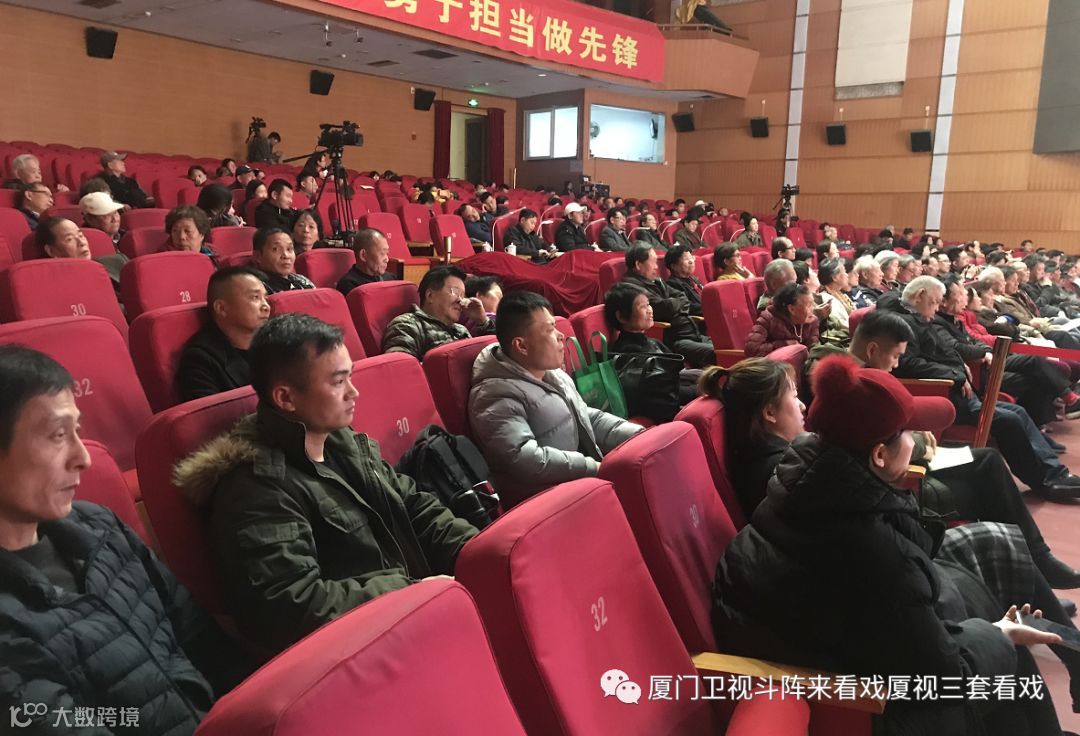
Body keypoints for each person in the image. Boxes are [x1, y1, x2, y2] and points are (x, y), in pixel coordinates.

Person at [712, 354, 1079, 736]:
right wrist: (1000, 636)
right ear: (879, 455)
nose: (914, 440)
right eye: (906, 432)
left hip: (849, 644)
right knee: (1001, 647)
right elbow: (947, 675)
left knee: (982, 586)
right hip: (866, 706)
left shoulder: (806, 479)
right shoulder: (873, 550)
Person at [173, 314, 478, 652]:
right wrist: (412, 590)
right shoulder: (257, 487)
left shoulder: (341, 441)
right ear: (286, 398)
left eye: (350, 377)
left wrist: (478, 555)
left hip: (415, 613)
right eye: (338, 382)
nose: (354, 392)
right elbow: (291, 605)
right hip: (365, 647)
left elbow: (414, 506)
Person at [0, 345, 253, 731]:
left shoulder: (99, 528)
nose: (83, 458)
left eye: (77, 432)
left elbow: (204, 641)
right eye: (57, 435)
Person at [849, 309, 1080, 590]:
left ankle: (1036, 564)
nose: (896, 365)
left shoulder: (865, 375)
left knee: (988, 459)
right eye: (895, 356)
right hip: (900, 477)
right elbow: (880, 445)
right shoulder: (855, 385)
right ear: (873, 350)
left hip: (905, 459)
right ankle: (1033, 572)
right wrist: (920, 440)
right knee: (990, 484)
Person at [878, 277, 1080, 499]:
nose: (936, 308)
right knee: (1009, 420)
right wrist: (955, 374)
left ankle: (1055, 473)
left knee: (1018, 412)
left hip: (962, 392)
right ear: (919, 296)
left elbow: (945, 352)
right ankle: (1045, 481)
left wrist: (959, 367)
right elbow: (908, 363)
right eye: (934, 302)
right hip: (944, 395)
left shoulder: (921, 320)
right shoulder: (904, 324)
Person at [469, 291, 643, 507]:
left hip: (582, 482)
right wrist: (593, 466)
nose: (561, 336)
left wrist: (637, 435)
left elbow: (585, 416)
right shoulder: (493, 394)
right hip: (552, 502)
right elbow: (524, 459)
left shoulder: (551, 373)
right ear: (521, 346)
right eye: (550, 329)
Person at [604, 282, 699, 420]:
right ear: (621, 317)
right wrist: (699, 388)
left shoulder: (653, 342)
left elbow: (677, 373)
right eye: (643, 306)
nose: (650, 310)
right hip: (667, 409)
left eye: (648, 304)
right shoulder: (629, 355)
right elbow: (664, 394)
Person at [177, 267, 270, 401]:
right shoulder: (200, 360)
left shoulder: (273, 340)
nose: (266, 306)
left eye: (265, 298)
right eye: (255, 298)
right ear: (221, 308)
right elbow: (211, 412)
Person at [622, 244, 715, 367]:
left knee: (730, 346)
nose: (656, 267)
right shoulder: (632, 288)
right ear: (638, 265)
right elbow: (665, 308)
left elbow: (682, 297)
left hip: (694, 334)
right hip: (676, 340)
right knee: (718, 353)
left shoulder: (657, 281)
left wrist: (673, 305)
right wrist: (675, 305)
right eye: (653, 262)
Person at [382, 266, 494, 359]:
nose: (460, 300)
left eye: (463, 295)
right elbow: (400, 368)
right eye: (455, 292)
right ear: (430, 295)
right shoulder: (407, 324)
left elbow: (491, 359)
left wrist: (483, 321)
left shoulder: (461, 330)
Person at [33, 216, 128, 288]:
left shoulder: (118, 262)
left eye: (81, 235)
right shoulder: (56, 287)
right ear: (51, 251)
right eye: (69, 239)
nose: (81, 242)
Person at [744, 282, 820, 357]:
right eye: (809, 305)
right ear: (792, 309)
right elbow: (751, 349)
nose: (813, 308)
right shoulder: (768, 318)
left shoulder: (811, 321)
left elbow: (813, 349)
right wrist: (784, 345)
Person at [250, 227, 314, 294]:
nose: (286, 255)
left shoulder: (302, 281)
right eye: (276, 249)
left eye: (289, 249)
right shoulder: (256, 288)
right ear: (257, 256)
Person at [336, 227, 395, 296]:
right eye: (382, 253)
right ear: (363, 255)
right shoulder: (349, 285)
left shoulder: (391, 278)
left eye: (387, 253)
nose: (387, 259)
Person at [665, 245, 705, 316]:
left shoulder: (693, 279)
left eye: (691, 257)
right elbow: (687, 306)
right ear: (674, 266)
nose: (691, 261)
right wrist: (709, 307)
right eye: (686, 259)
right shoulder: (672, 284)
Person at [2, 153, 69, 192]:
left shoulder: (45, 187)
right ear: (18, 174)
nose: (38, 176)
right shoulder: (13, 187)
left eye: (39, 172)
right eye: (33, 171)